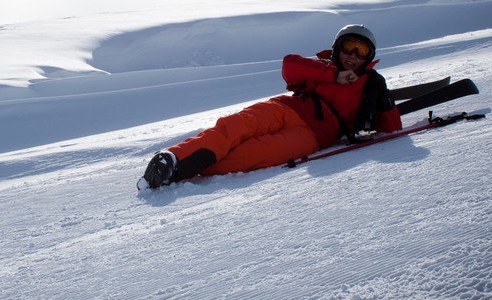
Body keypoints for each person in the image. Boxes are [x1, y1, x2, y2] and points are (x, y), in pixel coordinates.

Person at [140, 24, 403, 189]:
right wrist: (334, 76)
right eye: (348, 46)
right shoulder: (323, 66)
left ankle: (187, 169)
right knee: (234, 126)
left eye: (361, 51)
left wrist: (384, 98)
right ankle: (173, 159)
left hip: (312, 135)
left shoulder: (371, 84)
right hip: (286, 108)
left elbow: (392, 129)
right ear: (337, 47)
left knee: (255, 154)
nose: (353, 55)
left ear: (369, 57)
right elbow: (289, 64)